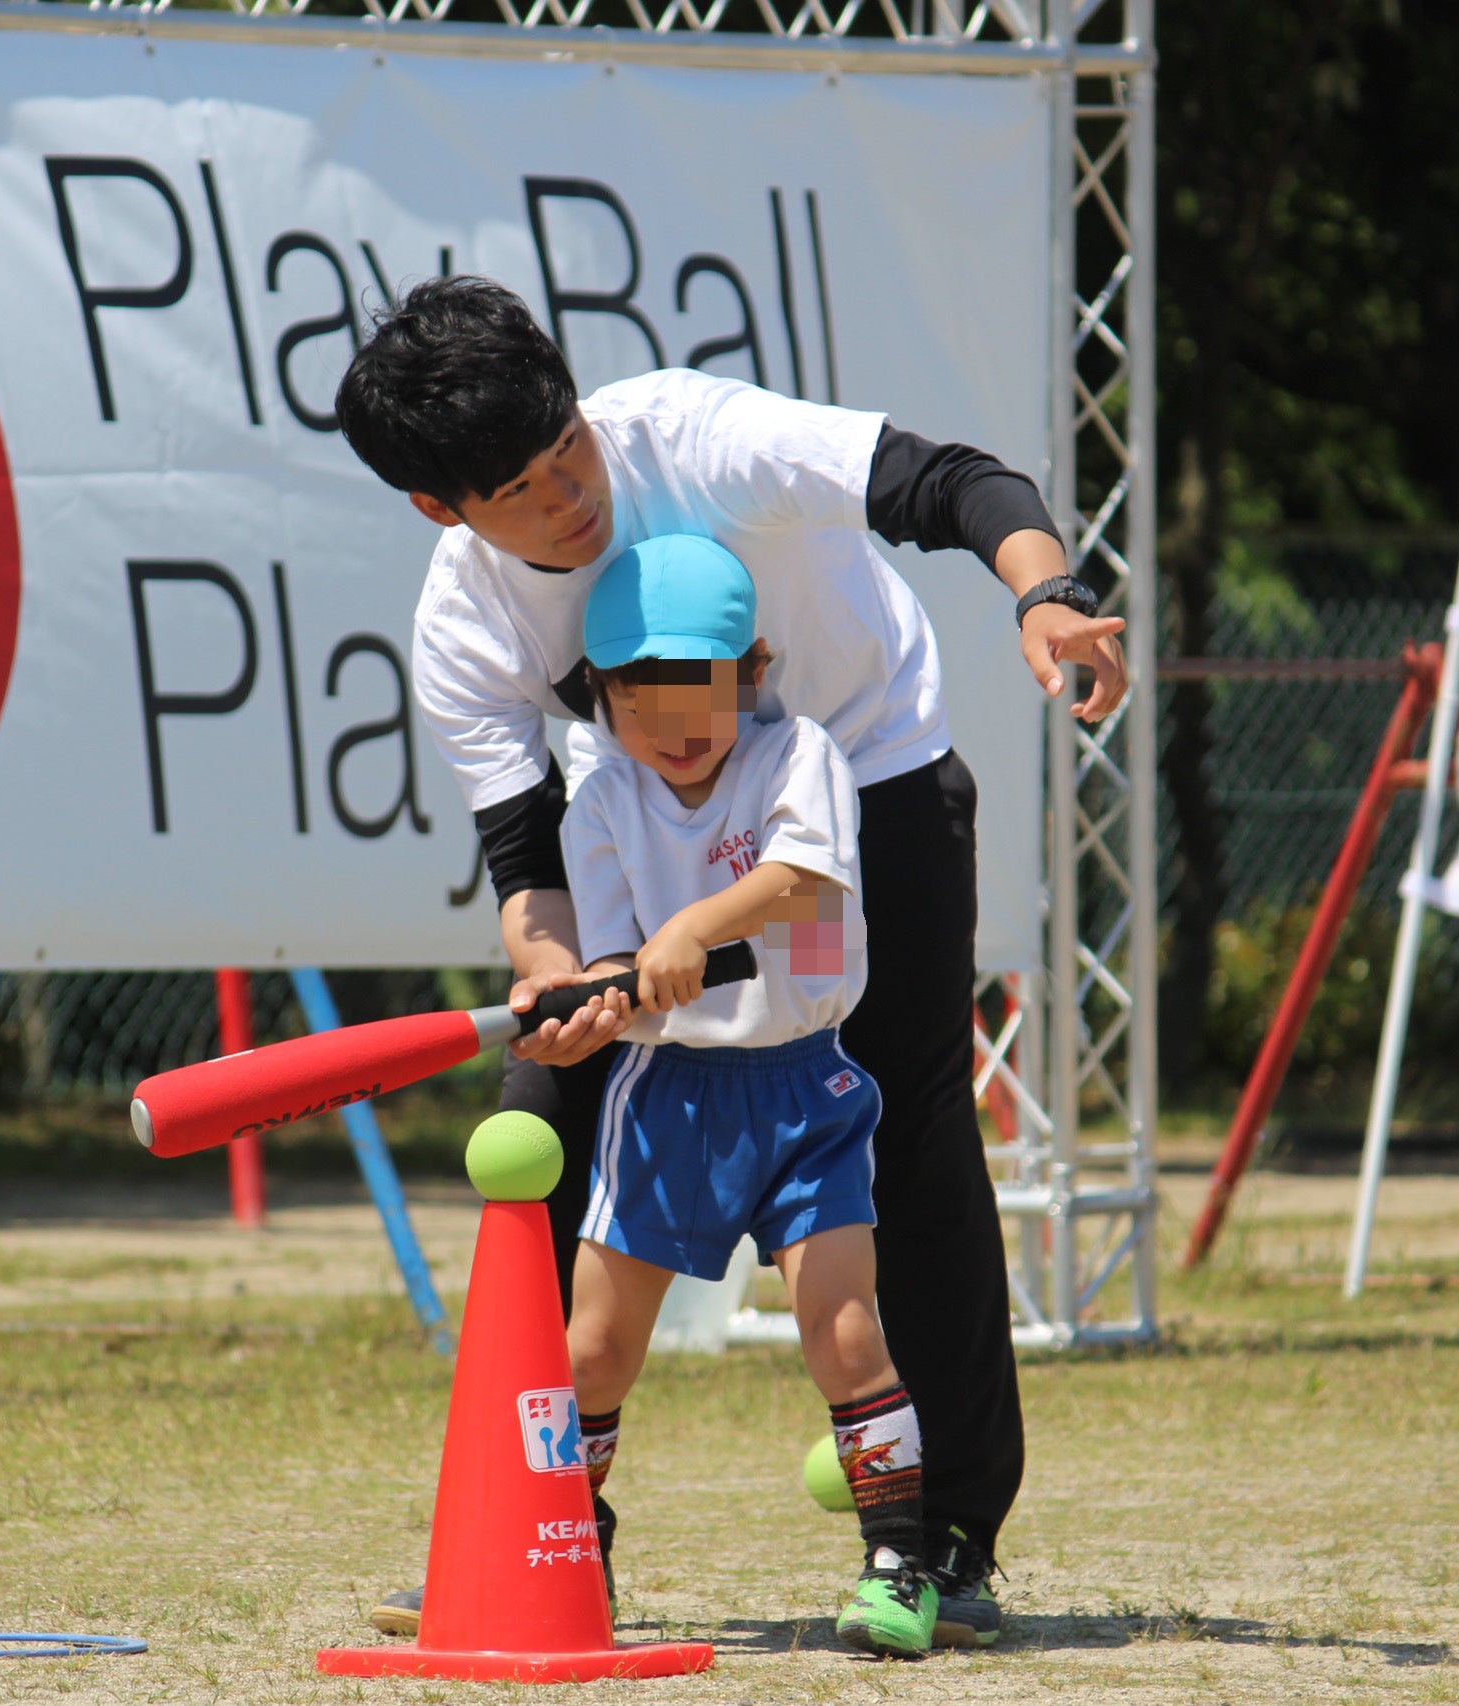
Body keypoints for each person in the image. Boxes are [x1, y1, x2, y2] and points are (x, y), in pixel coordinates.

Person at [335, 277, 1126, 1648]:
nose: (569, 495)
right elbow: (530, 872)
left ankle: (939, 1534)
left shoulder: (693, 435)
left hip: (856, 803)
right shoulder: (463, 625)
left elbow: (950, 480)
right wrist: (557, 991)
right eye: (520, 489)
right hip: (648, 824)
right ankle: (544, 1526)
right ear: (441, 509)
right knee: (538, 1129)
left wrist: (1045, 589)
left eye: (567, 446)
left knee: (906, 1131)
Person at [554, 533, 937, 1656]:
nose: (672, 723)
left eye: (698, 692)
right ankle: (574, 1551)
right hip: (666, 1091)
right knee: (590, 1350)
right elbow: (617, 964)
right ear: (602, 696)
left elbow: (804, 877)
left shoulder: (794, 755)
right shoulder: (601, 803)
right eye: (639, 696)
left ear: (750, 670)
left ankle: (899, 1561)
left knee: (846, 1327)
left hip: (803, 1087)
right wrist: (595, 1006)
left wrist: (690, 927)